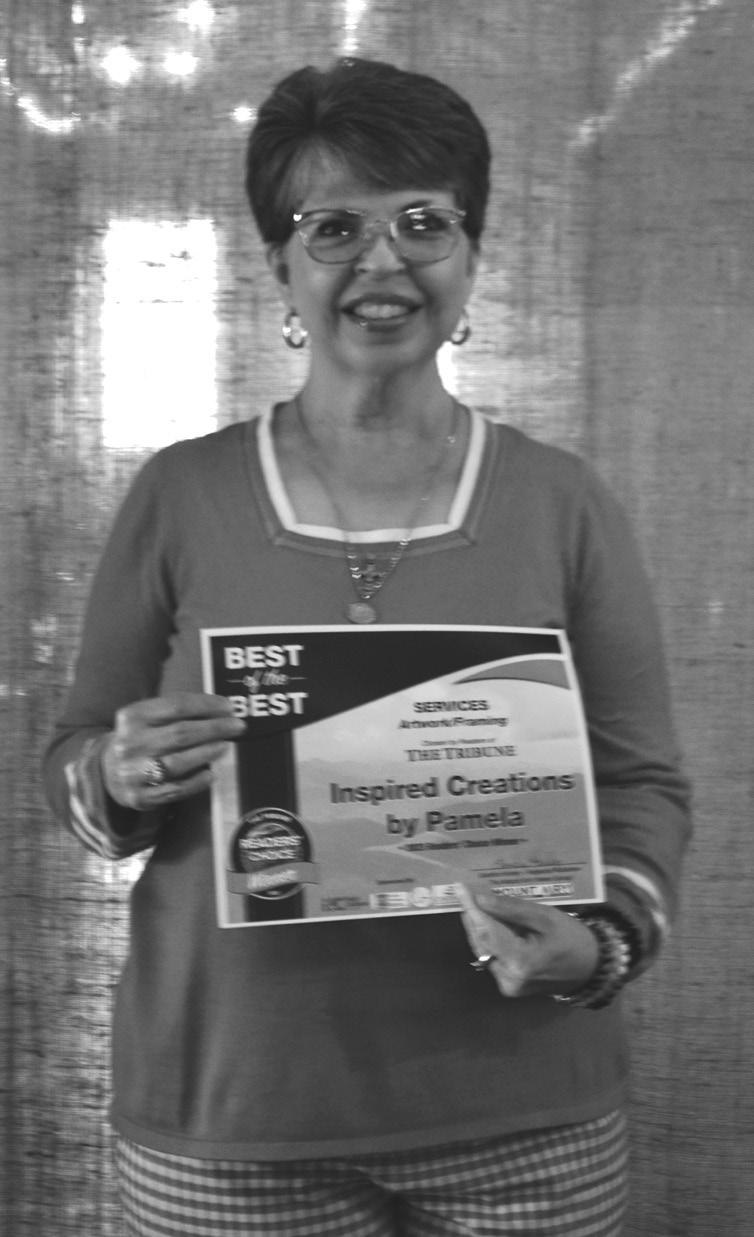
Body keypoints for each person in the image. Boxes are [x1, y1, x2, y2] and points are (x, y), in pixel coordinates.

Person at [43, 57, 690, 1237]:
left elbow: (642, 782)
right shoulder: (180, 493)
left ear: (471, 252)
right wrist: (118, 776)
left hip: (526, 1107)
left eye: (423, 222)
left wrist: (598, 944)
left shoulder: (562, 501)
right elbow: (76, 767)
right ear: (278, 265)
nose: (383, 260)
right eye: (333, 227)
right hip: (230, 1112)